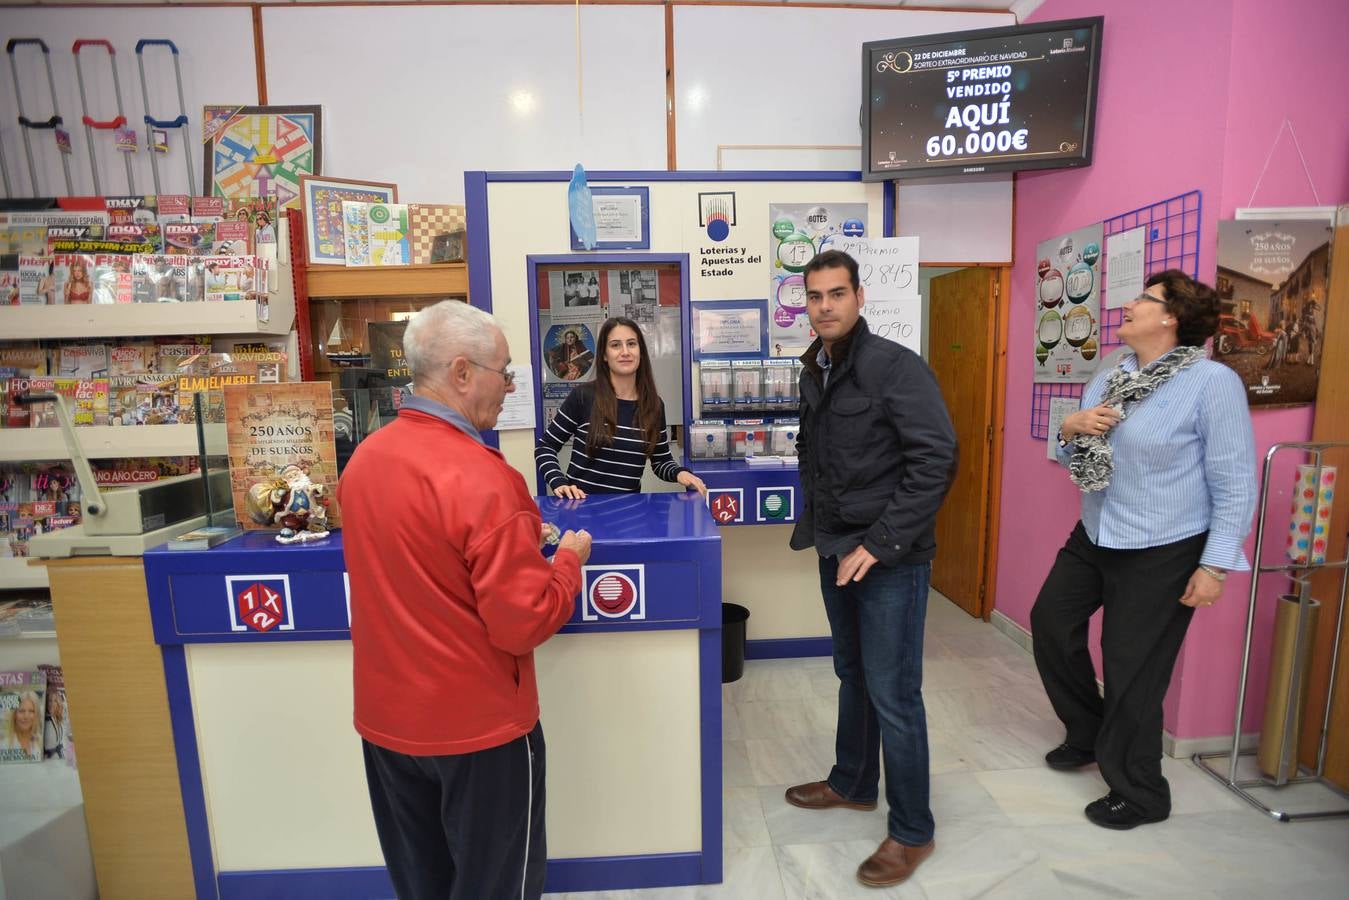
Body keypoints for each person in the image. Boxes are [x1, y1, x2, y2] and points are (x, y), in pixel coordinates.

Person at [338, 300, 593, 900]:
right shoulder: (486, 479)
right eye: (502, 372)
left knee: (422, 883)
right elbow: (522, 623)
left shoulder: (365, 461)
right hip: (480, 733)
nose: (507, 388)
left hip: (388, 727)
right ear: (459, 372)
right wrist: (568, 565)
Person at [1033, 269, 1256, 830]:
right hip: (1098, 530)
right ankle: (1087, 732)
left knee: (1133, 667)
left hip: (1165, 544)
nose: (1128, 304)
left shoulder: (1212, 383)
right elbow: (1072, 459)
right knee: (1051, 623)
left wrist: (1216, 565)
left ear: (1172, 317)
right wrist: (1072, 428)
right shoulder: (1111, 374)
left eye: (1143, 299)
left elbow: (1235, 481)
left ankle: (1140, 792)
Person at [784, 250, 957, 888]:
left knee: (894, 692)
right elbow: (816, 451)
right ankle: (853, 783)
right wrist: (828, 533)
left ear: (859, 297)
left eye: (836, 294)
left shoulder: (892, 366)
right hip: (837, 549)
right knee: (852, 673)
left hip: (888, 559)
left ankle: (912, 831)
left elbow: (936, 458)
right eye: (814, 296)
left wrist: (879, 543)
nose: (824, 306)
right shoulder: (817, 368)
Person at [536, 316, 706, 499]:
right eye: (615, 345)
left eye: (632, 344)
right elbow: (545, 447)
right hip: (581, 513)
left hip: (628, 515)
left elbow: (661, 461)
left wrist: (680, 473)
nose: (625, 352)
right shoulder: (583, 396)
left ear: (640, 351)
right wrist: (558, 482)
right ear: (604, 355)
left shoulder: (654, 405)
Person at [2, 691, 43, 761]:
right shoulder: (3, 745)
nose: (26, 716)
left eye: (31, 711)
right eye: (21, 711)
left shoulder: (41, 743)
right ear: (14, 715)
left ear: (36, 715)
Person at [44, 687, 69, 759]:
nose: (51, 704)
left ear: (58, 703)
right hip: (48, 761)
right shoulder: (45, 720)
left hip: (59, 759)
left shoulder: (57, 719)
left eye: (55, 701)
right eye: (49, 701)